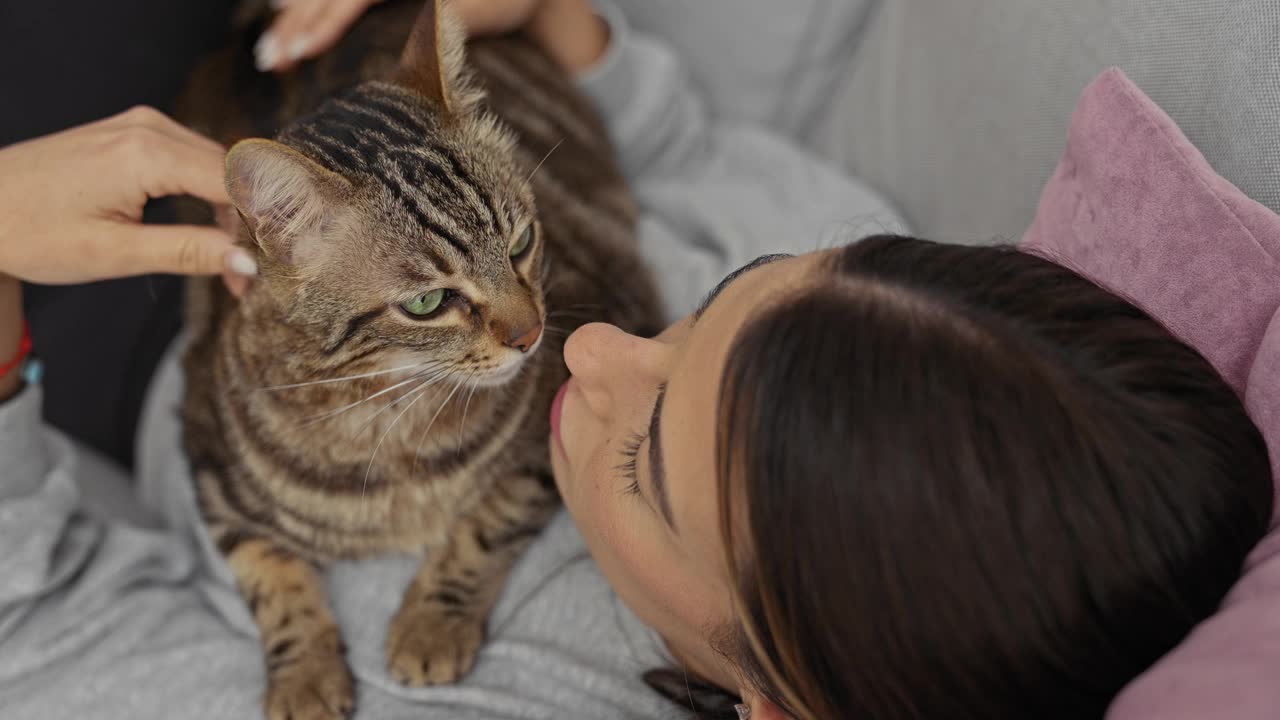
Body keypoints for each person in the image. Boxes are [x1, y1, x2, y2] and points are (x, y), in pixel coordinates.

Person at [0, 3, 1269, 720]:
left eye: (642, 456)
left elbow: (39, 624)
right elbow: (677, 145)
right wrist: (544, 15)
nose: (583, 342)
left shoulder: (537, 695)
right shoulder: (874, 319)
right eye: (707, 305)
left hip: (132, 338)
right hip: (375, 122)